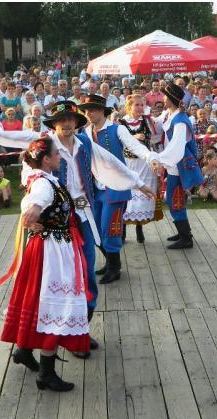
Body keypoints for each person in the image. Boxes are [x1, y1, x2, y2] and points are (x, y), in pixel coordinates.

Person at [0, 101, 153, 359]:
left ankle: (79, 332)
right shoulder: (45, 145)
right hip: (54, 221)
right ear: (54, 124)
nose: (67, 123)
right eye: (61, 120)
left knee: (86, 274)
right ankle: (30, 343)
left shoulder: (84, 142)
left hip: (82, 215)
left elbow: (110, 161)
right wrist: (32, 207)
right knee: (49, 279)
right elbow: (31, 175)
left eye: (71, 119)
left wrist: (138, 182)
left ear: (77, 122)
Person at [0, 137, 91, 392]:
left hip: (51, 247)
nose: (60, 157)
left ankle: (24, 350)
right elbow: (35, 200)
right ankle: (46, 374)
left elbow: (44, 197)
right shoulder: (43, 183)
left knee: (38, 300)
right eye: (56, 154)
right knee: (56, 306)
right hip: (51, 251)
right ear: (46, 159)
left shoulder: (46, 178)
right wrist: (32, 212)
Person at [78, 94, 156, 283]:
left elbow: (135, 146)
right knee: (96, 228)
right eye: (86, 110)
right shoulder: (84, 132)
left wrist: (150, 157)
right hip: (95, 189)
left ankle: (115, 267)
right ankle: (110, 262)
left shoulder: (117, 129)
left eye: (92, 110)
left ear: (102, 111)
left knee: (110, 229)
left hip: (116, 188)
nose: (88, 113)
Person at [151, 82, 204, 249]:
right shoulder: (169, 114)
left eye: (165, 96)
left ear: (172, 99)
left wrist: (159, 159)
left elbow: (177, 147)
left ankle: (186, 238)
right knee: (175, 199)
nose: (163, 99)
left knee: (175, 200)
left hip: (179, 166)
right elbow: (156, 123)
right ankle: (183, 233)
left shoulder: (180, 120)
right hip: (173, 164)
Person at [119, 94, 163, 244]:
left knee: (142, 196)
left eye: (141, 105)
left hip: (144, 164)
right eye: (136, 105)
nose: (139, 107)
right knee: (127, 196)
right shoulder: (121, 123)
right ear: (129, 106)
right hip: (128, 163)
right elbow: (119, 142)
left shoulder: (148, 121)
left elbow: (155, 138)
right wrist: (133, 138)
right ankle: (123, 231)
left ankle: (139, 228)